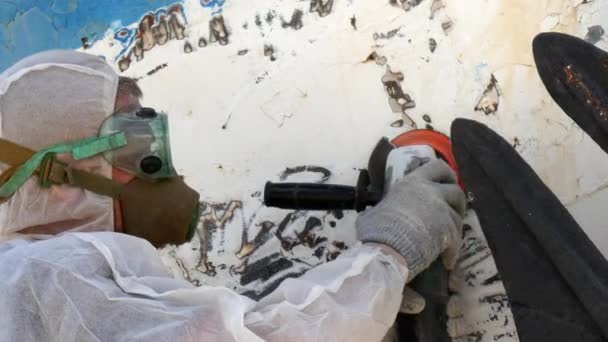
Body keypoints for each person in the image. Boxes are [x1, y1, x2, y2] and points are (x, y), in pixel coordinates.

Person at [0, 50, 466, 341]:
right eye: (134, 142)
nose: (156, 165)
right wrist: (389, 254)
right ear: (59, 181)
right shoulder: (47, 278)